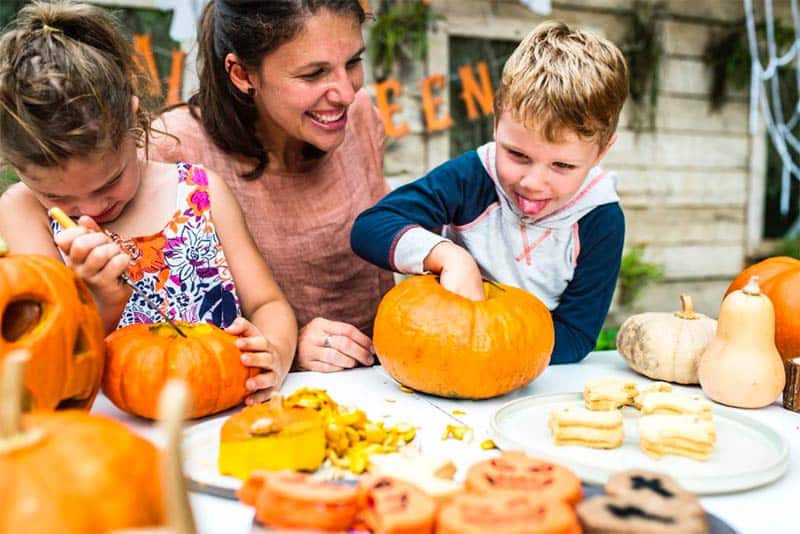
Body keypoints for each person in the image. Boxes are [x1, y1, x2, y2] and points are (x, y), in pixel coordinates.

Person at [0, 1, 296, 404]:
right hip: (109, 433)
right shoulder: (23, 212)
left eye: (111, 180)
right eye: (58, 197)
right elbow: (49, 360)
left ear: (134, 122)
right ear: (17, 168)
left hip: (224, 413)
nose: (89, 210)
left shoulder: (199, 193)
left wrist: (274, 353)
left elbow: (268, 303)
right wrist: (98, 299)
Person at [351, 21, 629, 364]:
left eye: (562, 166)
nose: (533, 182)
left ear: (601, 152)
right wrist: (451, 257)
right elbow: (372, 226)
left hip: (525, 374)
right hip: (440, 352)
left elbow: (576, 336)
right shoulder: (472, 177)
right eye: (517, 155)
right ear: (496, 122)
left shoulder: (601, 220)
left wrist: (487, 348)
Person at [148, 0, 394, 373]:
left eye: (353, 63)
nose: (346, 93)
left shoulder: (360, 116)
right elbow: (154, 333)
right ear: (243, 74)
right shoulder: (173, 152)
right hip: (260, 401)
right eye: (314, 74)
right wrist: (284, 348)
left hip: (390, 383)